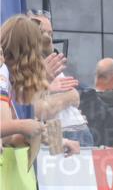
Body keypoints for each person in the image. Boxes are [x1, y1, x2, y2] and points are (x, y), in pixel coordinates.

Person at [0, 15, 80, 156]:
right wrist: (24, 125)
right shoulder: (2, 72)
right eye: (37, 50)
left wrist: (60, 141)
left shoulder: (6, 76)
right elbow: (11, 127)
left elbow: (10, 137)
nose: (39, 57)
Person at [27, 10, 93, 146]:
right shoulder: (26, 65)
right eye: (42, 32)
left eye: (50, 33)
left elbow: (74, 98)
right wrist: (69, 97)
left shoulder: (50, 62)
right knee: (59, 163)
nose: (48, 38)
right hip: (57, 132)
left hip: (77, 131)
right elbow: (38, 110)